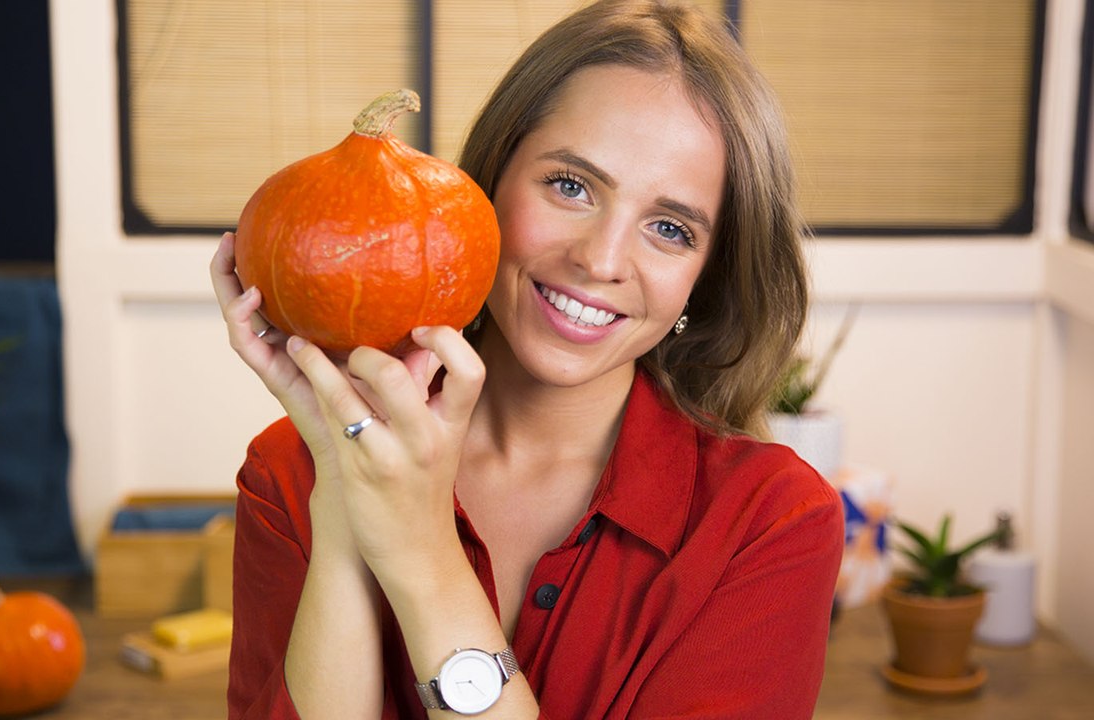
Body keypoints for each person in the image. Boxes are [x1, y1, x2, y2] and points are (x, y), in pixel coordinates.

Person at [209, 1, 844, 717]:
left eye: (669, 228)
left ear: (709, 273)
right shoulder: (291, 471)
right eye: (570, 186)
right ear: (485, 183)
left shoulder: (772, 524)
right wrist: (341, 489)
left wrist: (420, 552)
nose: (601, 260)